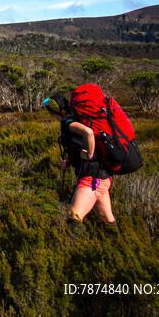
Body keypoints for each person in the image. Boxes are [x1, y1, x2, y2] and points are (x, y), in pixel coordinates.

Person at [43, 93, 116, 230]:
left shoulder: (68, 122)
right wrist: (70, 161)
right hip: (101, 176)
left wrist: (89, 154)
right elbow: (78, 145)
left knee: (74, 217)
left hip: (92, 178)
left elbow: (88, 132)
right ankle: (120, 246)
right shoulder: (75, 119)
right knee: (106, 219)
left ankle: (71, 249)